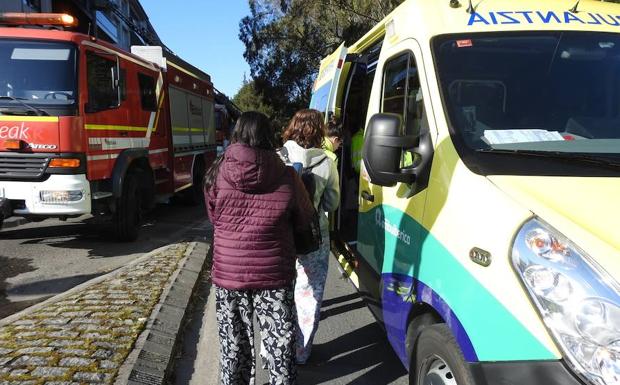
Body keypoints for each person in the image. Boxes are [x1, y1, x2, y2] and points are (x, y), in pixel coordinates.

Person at [204, 111, 316, 385]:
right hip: (274, 275)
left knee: (233, 344)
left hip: (229, 275)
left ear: (237, 134)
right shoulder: (288, 175)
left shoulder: (216, 171)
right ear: (268, 135)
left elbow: (213, 217)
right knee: (280, 343)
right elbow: (304, 218)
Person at [280, 109, 341, 364]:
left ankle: (276, 347)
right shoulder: (327, 161)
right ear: (319, 132)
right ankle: (301, 352)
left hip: (280, 236)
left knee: (280, 291)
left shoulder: (277, 157)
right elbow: (332, 203)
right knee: (309, 293)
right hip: (313, 236)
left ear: (292, 127)